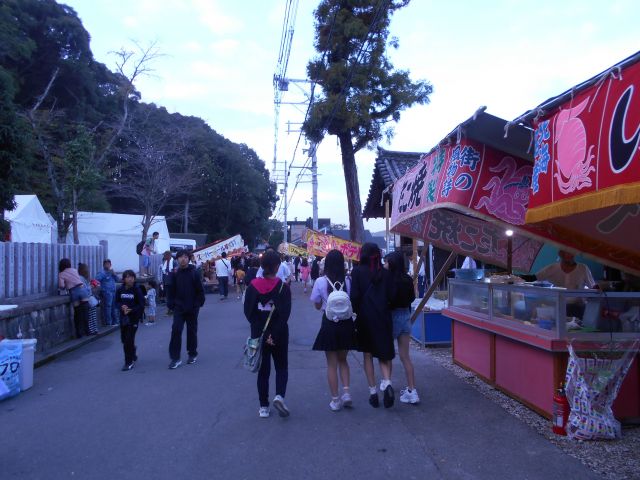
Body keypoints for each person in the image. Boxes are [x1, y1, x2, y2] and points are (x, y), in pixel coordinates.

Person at [243, 250, 292, 418]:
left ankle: (263, 406)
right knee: (281, 367)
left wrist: (261, 332)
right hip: (279, 334)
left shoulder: (253, 287)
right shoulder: (283, 288)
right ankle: (279, 396)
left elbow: (248, 312)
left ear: (262, 266)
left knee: (263, 371)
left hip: (259, 334)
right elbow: (285, 314)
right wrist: (274, 334)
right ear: (277, 267)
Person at [350, 243, 395, 408]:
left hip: (365, 318)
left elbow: (354, 296)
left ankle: (373, 393)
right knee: (383, 354)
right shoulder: (386, 273)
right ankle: (387, 383)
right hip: (383, 317)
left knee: (367, 355)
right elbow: (392, 296)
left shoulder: (357, 272)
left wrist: (357, 311)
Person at [310, 249, 355, 411]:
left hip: (329, 323)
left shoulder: (320, 281)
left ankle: (335, 400)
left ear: (326, 264)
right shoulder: (348, 280)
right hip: (346, 323)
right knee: (343, 360)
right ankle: (347, 393)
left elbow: (317, 305)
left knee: (331, 364)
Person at [386, 251, 420, 405]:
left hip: (391, 318)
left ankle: (387, 385)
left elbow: (387, 299)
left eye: (387, 262)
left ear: (391, 263)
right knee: (405, 356)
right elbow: (412, 298)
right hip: (405, 316)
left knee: (387, 355)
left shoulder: (387, 279)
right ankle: (412, 391)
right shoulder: (407, 279)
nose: (385, 264)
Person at [168, 249, 206, 369]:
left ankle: (192, 353)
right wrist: (171, 304)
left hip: (192, 307)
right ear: (177, 259)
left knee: (191, 331)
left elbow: (200, 290)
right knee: (176, 330)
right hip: (178, 307)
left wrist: (198, 304)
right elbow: (170, 291)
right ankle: (175, 358)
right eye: (180, 257)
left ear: (189, 259)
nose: (183, 259)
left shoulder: (194, 272)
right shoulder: (174, 273)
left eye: (185, 257)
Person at [536, 250, 598, 318]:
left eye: (570, 252)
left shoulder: (583, 268)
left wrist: (602, 287)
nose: (568, 255)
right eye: (565, 252)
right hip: (559, 307)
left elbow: (593, 288)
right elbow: (535, 277)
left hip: (578, 308)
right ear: (560, 254)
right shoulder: (553, 268)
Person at [115, 270, 146, 371]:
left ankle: (128, 362)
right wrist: (122, 307)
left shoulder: (137, 290)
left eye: (132, 277)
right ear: (124, 279)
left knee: (128, 340)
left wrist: (132, 310)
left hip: (133, 319)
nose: (130, 279)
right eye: (127, 277)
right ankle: (133, 351)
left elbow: (141, 305)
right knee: (124, 340)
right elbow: (116, 302)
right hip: (124, 318)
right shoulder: (120, 290)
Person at [58, 258, 90, 338]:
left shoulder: (61, 274)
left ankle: (79, 333)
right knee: (85, 312)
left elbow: (61, 286)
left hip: (74, 292)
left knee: (77, 313)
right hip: (82, 289)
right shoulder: (75, 270)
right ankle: (87, 331)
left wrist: (65, 286)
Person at [96, 259, 119, 326]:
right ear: (103, 265)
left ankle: (115, 321)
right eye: (106, 264)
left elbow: (118, 280)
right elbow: (96, 280)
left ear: (110, 265)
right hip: (106, 292)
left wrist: (114, 274)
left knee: (114, 307)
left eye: (108, 264)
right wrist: (106, 274)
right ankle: (109, 322)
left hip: (113, 291)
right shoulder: (101, 272)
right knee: (108, 307)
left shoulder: (112, 272)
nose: (107, 265)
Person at [78, 263, 99, 335]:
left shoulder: (83, 278)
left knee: (91, 316)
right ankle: (93, 330)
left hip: (88, 299)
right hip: (87, 299)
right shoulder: (81, 278)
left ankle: (93, 330)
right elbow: (84, 289)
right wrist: (91, 287)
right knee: (92, 316)